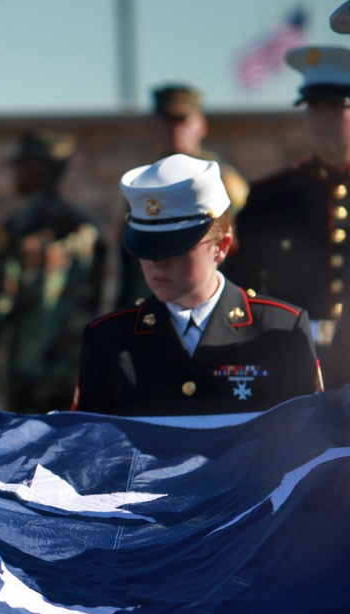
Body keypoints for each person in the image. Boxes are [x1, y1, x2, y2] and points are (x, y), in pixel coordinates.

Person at [75, 154, 319, 416]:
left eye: (174, 249)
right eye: (146, 249)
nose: (157, 263)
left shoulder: (281, 329)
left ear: (221, 247)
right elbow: (90, 446)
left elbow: (308, 440)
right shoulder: (108, 340)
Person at [226, 47, 350, 384]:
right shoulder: (271, 197)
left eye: (336, 107)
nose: (321, 118)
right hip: (292, 364)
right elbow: (241, 289)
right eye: (313, 107)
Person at [0, 130, 105, 413]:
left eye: (19, 167)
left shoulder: (20, 228)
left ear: (36, 169)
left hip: (29, 370)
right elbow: (97, 298)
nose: (14, 176)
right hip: (76, 367)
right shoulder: (88, 229)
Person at [117, 84, 248, 307]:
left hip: (205, 302)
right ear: (153, 127)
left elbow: (238, 250)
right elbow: (129, 258)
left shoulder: (223, 181)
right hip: (150, 305)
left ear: (201, 126)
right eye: (168, 122)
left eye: (183, 121)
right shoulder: (141, 184)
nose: (175, 130)